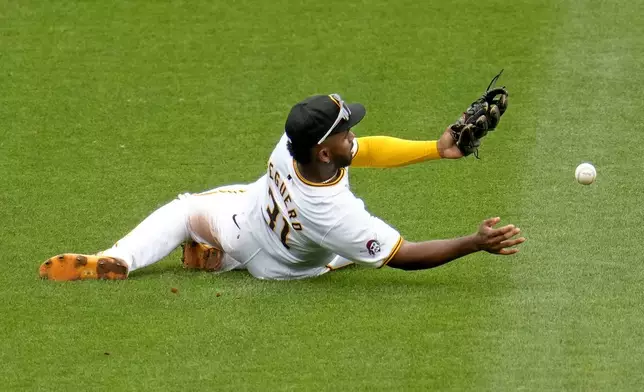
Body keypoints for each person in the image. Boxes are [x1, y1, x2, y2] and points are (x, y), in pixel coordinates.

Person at [39, 93, 525, 281]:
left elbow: (365, 149)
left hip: (243, 225)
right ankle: (217, 258)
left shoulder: (290, 144)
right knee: (355, 250)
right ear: (324, 151)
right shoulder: (335, 212)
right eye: (344, 130)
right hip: (292, 266)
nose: (352, 133)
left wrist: (434, 149)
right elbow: (405, 254)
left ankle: (121, 257)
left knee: (186, 210)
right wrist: (473, 243)